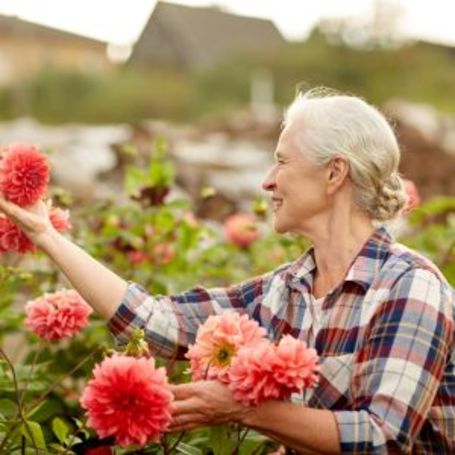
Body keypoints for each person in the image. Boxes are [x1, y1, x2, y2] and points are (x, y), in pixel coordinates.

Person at [0, 89, 453, 454]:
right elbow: (160, 323)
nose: (267, 181)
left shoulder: (410, 286)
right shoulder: (285, 290)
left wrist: (245, 410)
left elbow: (382, 440)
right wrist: (47, 236)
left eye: (282, 160)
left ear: (335, 173)